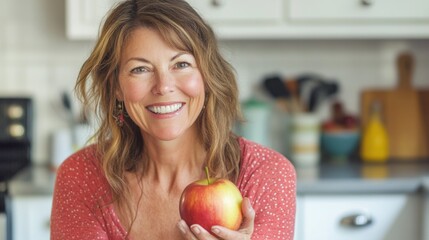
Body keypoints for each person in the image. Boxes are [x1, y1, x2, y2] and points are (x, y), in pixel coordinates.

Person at [50, 0, 296, 239]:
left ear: (207, 75)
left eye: (181, 64)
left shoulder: (266, 175)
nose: (163, 87)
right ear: (115, 85)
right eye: (140, 69)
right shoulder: (80, 176)